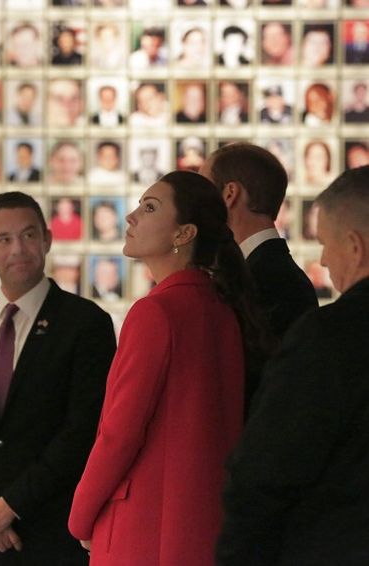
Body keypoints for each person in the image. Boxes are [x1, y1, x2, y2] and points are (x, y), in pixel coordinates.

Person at [68, 171, 267, 565]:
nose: (132, 216)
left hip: (144, 527)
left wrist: (80, 517)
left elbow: (119, 433)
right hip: (200, 525)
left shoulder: (155, 312)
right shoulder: (222, 308)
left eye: (150, 207)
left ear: (183, 234)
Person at [0, 191, 116, 564]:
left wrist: (11, 506)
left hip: (52, 535)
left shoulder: (86, 323)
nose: (18, 248)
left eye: (29, 235)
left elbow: (82, 431)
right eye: (3, 239)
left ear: (47, 239)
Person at [217, 166, 369, 566]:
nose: (323, 259)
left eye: (325, 243)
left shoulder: (332, 335)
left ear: (355, 247)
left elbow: (266, 471)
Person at [200, 143, 317, 406]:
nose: (197, 202)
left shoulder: (271, 279)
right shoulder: (273, 272)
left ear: (230, 194)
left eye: (204, 188)